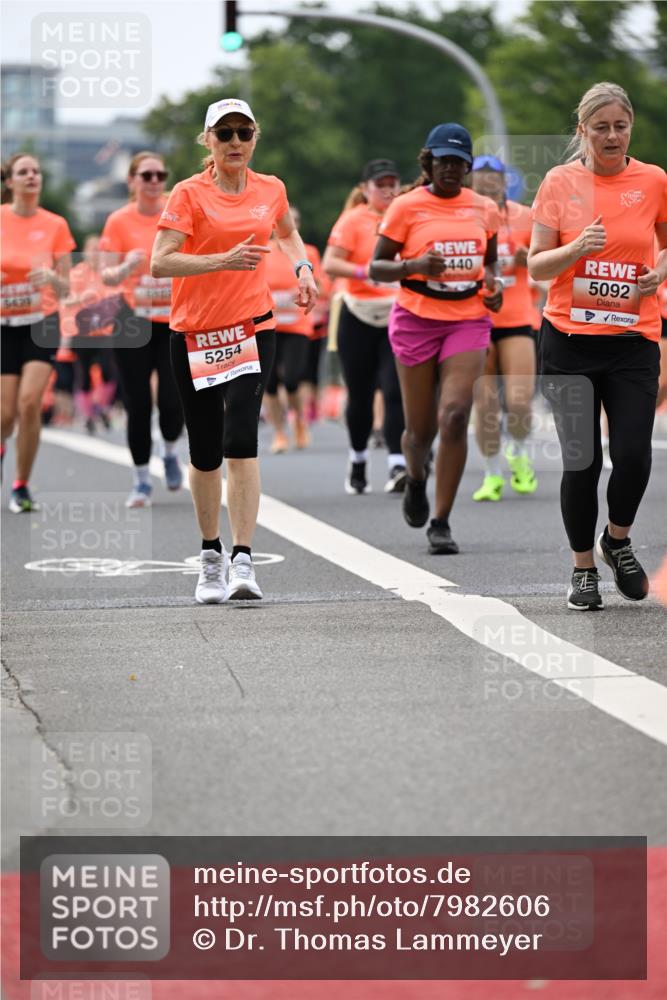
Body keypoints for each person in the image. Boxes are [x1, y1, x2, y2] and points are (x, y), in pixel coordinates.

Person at [151, 97, 317, 603]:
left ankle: (244, 557)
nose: (236, 143)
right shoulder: (188, 194)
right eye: (225, 134)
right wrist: (221, 259)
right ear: (208, 141)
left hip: (251, 328)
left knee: (242, 435)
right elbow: (160, 263)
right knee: (204, 450)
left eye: (244, 133)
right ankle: (210, 556)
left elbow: (287, 233)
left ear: (255, 137)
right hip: (196, 333)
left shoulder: (271, 189)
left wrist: (303, 267)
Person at [528, 81, 667, 610]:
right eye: (601, 127)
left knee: (632, 455)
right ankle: (583, 567)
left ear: (631, 127)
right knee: (582, 462)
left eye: (621, 126)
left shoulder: (653, 179)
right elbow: (536, 265)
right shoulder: (560, 182)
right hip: (569, 340)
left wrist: (657, 273)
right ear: (582, 130)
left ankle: (618, 538)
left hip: (633, 340)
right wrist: (574, 248)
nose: (612, 135)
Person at [370, 124, 503, 553]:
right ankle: (416, 478)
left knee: (454, 415)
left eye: (458, 162)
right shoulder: (406, 207)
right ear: (430, 162)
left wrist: (495, 287)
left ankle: (441, 521)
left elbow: (491, 265)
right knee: (419, 430)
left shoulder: (485, 208)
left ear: (467, 167)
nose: (450, 168)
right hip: (416, 319)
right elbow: (377, 268)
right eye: (443, 160)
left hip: (467, 319)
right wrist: (415, 265)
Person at [100, 151, 184, 507]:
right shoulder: (118, 221)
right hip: (132, 320)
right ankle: (140, 481)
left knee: (172, 398)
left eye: (160, 175)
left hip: (175, 318)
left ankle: (168, 451)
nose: (154, 181)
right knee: (137, 402)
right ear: (132, 181)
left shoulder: (177, 213)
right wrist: (125, 269)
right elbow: (105, 273)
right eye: (146, 175)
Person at [322, 159, 406, 495]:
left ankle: (397, 462)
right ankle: (357, 458)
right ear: (365, 189)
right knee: (360, 394)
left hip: (396, 312)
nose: (387, 191)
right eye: (380, 185)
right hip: (357, 312)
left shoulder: (406, 214)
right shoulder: (353, 219)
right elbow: (330, 262)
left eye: (392, 184)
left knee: (394, 389)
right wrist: (365, 271)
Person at [1, 152, 75, 511]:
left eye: (36, 170)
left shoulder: (56, 225)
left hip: (41, 322)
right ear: (10, 182)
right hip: (4, 325)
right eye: (23, 172)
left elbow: (68, 289)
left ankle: (21, 485)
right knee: (3, 415)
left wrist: (51, 278)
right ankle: (2, 446)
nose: (32, 176)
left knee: (30, 403)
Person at [471, 155, 538, 501]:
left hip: (516, 318)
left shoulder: (526, 216)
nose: (487, 182)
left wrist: (531, 260)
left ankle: (520, 454)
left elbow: (548, 266)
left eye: (493, 175)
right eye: (480, 175)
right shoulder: (463, 216)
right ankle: (491, 474)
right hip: (474, 319)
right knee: (485, 406)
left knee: (520, 402)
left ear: (503, 180)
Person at [263, 205, 322, 453]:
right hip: (267, 325)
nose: (290, 225)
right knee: (269, 382)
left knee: (292, 379)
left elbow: (319, 283)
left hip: (298, 325)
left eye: (294, 221)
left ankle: (298, 421)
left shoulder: (307, 252)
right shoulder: (262, 251)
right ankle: (279, 433)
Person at [60, 234, 117, 434]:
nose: (95, 252)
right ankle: (88, 416)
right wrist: (81, 298)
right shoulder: (77, 273)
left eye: (99, 248)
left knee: (109, 372)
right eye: (92, 248)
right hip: (82, 332)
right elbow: (65, 301)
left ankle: (100, 406)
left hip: (105, 331)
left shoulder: (109, 274)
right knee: (83, 376)